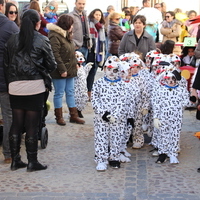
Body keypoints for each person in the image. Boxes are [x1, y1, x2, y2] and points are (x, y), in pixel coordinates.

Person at [3, 9, 56, 171]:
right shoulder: (41, 39)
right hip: (35, 86)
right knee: (32, 125)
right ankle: (32, 161)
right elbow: (52, 65)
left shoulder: (11, 40)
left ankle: (15, 160)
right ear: (37, 23)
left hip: (15, 86)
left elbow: (6, 64)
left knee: (16, 124)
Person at [91, 56, 128, 171]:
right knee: (101, 138)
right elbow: (94, 99)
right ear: (105, 69)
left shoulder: (122, 85)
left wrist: (115, 115)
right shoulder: (98, 83)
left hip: (117, 119)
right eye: (109, 69)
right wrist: (103, 113)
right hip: (101, 118)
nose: (111, 73)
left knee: (116, 138)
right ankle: (101, 159)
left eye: (115, 70)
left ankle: (114, 158)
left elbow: (123, 101)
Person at [47, 14, 85, 125]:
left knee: (70, 92)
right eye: (71, 24)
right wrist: (62, 69)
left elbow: (69, 52)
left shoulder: (66, 34)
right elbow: (55, 54)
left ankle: (73, 115)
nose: (72, 27)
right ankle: (59, 117)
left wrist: (75, 64)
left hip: (70, 69)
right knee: (59, 93)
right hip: (60, 70)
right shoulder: (55, 35)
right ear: (66, 25)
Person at [0, 0, 18, 164]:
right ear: (2, 6)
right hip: (5, 79)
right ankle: (8, 153)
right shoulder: (11, 27)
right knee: (8, 116)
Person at [87, 8, 106, 100]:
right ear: (92, 15)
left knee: (93, 72)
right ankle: (84, 92)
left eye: (99, 15)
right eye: (96, 14)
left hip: (98, 51)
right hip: (91, 50)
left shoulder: (101, 26)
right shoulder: (89, 23)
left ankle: (89, 92)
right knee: (87, 72)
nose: (98, 16)